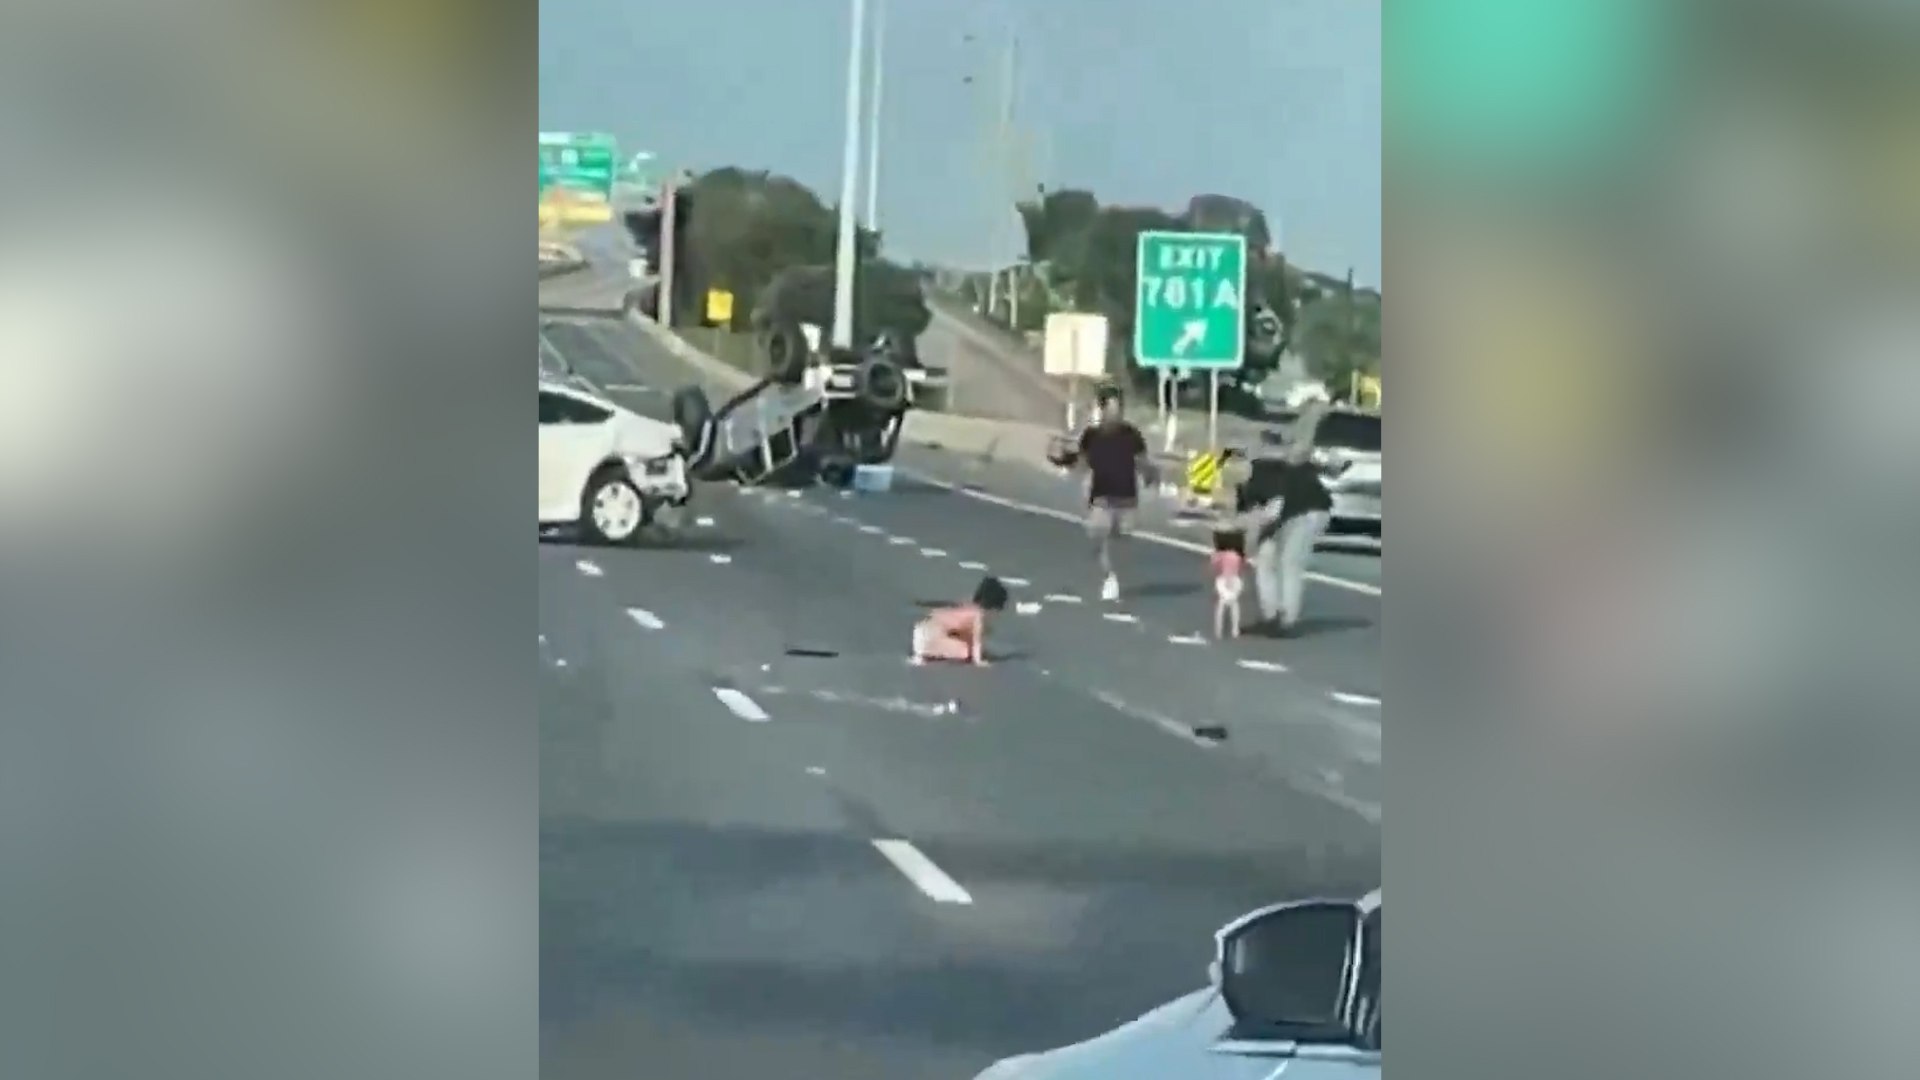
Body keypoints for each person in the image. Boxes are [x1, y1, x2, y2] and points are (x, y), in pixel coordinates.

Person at [1234, 401, 1334, 635]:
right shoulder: (1254, 481)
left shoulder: (1270, 473)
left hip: (1309, 510)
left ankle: (1286, 620)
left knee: (1289, 562)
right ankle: (1271, 615)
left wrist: (1253, 534)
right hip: (1286, 509)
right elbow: (1252, 515)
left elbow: (1269, 513)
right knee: (1266, 560)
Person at [1063, 383, 1155, 601]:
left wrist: (1149, 475)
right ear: (1103, 409)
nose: (1116, 413)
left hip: (1127, 497)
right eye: (1112, 408)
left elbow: (1142, 460)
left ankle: (1116, 573)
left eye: (1119, 408)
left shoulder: (1131, 434)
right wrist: (1073, 471)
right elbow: (1082, 461)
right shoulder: (1091, 435)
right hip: (1101, 496)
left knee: (1121, 540)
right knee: (1098, 537)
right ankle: (1109, 577)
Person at [910, 575, 1009, 665]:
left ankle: (926, 651)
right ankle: (926, 654)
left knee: (973, 636)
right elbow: (977, 640)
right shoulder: (979, 615)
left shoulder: (968, 606)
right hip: (929, 638)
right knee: (966, 651)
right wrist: (979, 661)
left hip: (922, 630)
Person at [1209, 522, 1247, 639]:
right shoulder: (1238, 556)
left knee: (1221, 604)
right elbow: (1242, 567)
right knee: (1234, 604)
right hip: (1236, 580)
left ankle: (1218, 629)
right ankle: (1235, 629)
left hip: (1223, 580)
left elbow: (1214, 566)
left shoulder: (1219, 555)